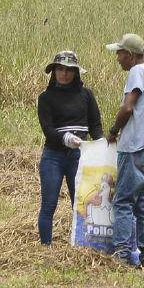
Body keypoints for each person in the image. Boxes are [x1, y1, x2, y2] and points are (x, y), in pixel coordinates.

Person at [105, 31, 144, 269]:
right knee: (143, 204)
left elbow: (128, 108)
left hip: (136, 146)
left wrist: (113, 130)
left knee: (123, 201)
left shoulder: (137, 72)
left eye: (119, 53)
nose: (117, 57)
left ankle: (122, 253)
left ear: (129, 55)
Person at [36, 50, 102, 244]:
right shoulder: (45, 98)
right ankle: (45, 247)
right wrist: (66, 138)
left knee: (81, 203)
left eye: (69, 70)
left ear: (76, 73)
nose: (64, 74)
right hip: (53, 156)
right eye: (60, 69)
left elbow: (95, 126)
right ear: (54, 72)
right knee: (49, 204)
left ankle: (81, 243)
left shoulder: (86, 95)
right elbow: (48, 130)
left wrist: (101, 145)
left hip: (79, 157)